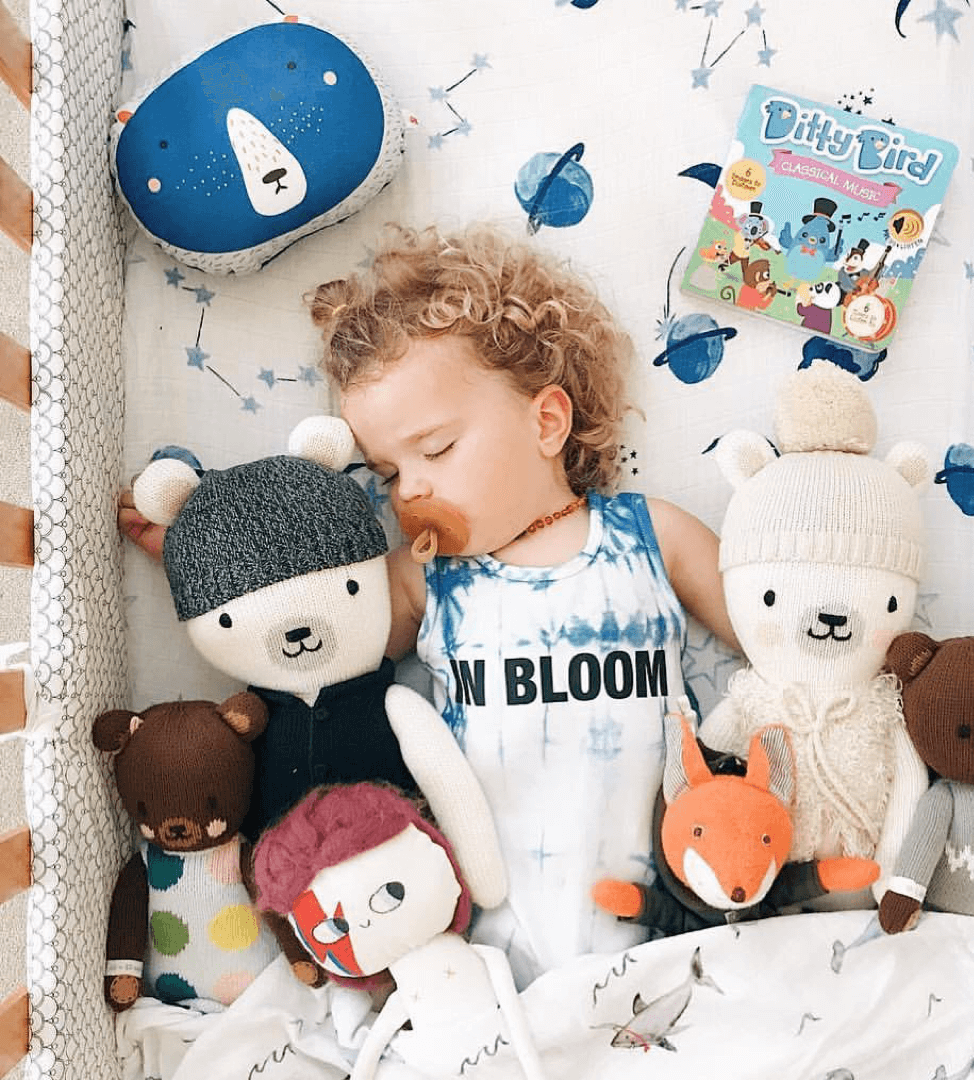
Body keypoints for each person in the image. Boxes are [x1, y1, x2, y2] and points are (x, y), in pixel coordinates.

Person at [121, 222, 738, 987]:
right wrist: (203, 558)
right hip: (489, 939)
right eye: (386, 473)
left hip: (679, 909)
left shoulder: (650, 536)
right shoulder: (426, 580)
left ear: (547, 422)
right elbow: (301, 631)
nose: (409, 489)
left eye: (437, 449)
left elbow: (778, 639)